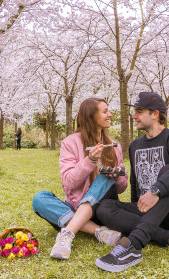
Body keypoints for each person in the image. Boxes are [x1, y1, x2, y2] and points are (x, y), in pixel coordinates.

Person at [95, 92, 169, 272]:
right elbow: (136, 182)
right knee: (104, 207)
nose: (134, 116)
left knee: (167, 170)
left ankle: (133, 244)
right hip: (148, 213)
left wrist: (156, 191)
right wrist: (137, 204)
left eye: (139, 111)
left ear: (155, 114)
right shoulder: (135, 145)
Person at [32, 98, 128, 260]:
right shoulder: (70, 143)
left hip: (102, 208)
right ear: (90, 116)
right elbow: (69, 183)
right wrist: (89, 161)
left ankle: (68, 233)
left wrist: (118, 177)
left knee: (105, 179)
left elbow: (121, 188)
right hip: (75, 207)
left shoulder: (113, 146)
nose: (110, 114)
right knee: (39, 198)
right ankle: (98, 231)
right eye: (105, 112)